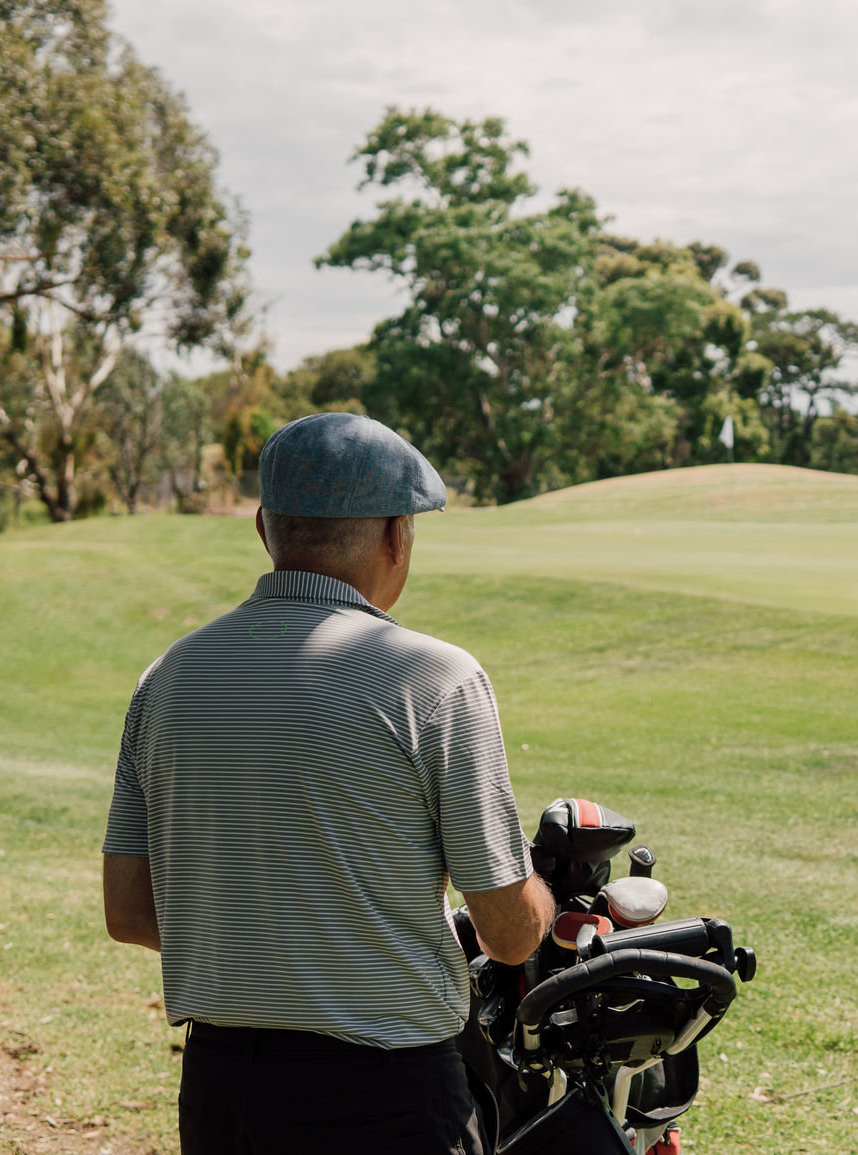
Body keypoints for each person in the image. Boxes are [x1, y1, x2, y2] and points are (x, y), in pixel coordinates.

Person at [100, 412, 555, 1154]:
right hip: (389, 1098)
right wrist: (543, 899)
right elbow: (508, 934)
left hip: (223, 1093)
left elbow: (129, 911)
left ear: (262, 527)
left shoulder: (167, 678)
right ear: (394, 537)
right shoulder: (436, 678)